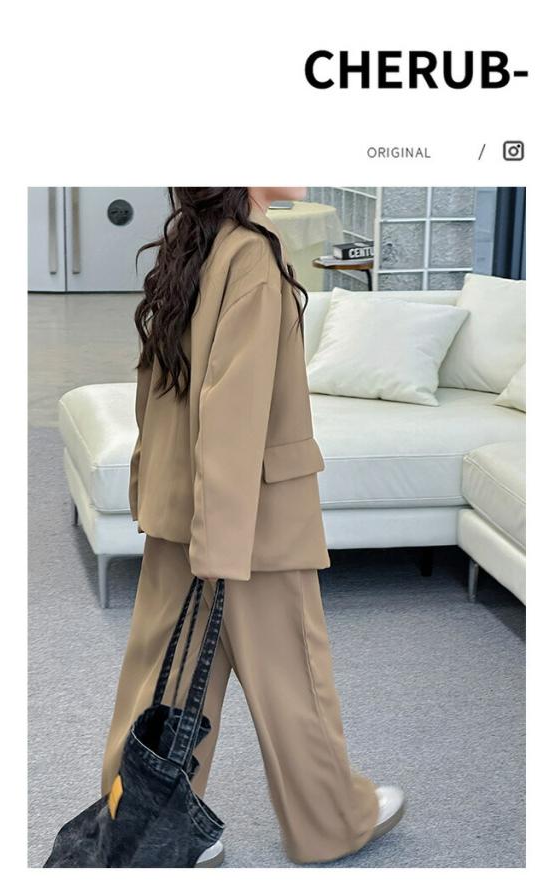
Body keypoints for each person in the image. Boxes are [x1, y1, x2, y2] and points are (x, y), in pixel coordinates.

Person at [100, 187, 405, 867]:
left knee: (162, 679)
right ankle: (333, 823)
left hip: (187, 506)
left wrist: (165, 495)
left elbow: (157, 389)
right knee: (295, 680)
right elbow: (234, 411)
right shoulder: (255, 256)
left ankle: (138, 831)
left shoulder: (194, 242)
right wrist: (222, 542)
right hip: (252, 516)